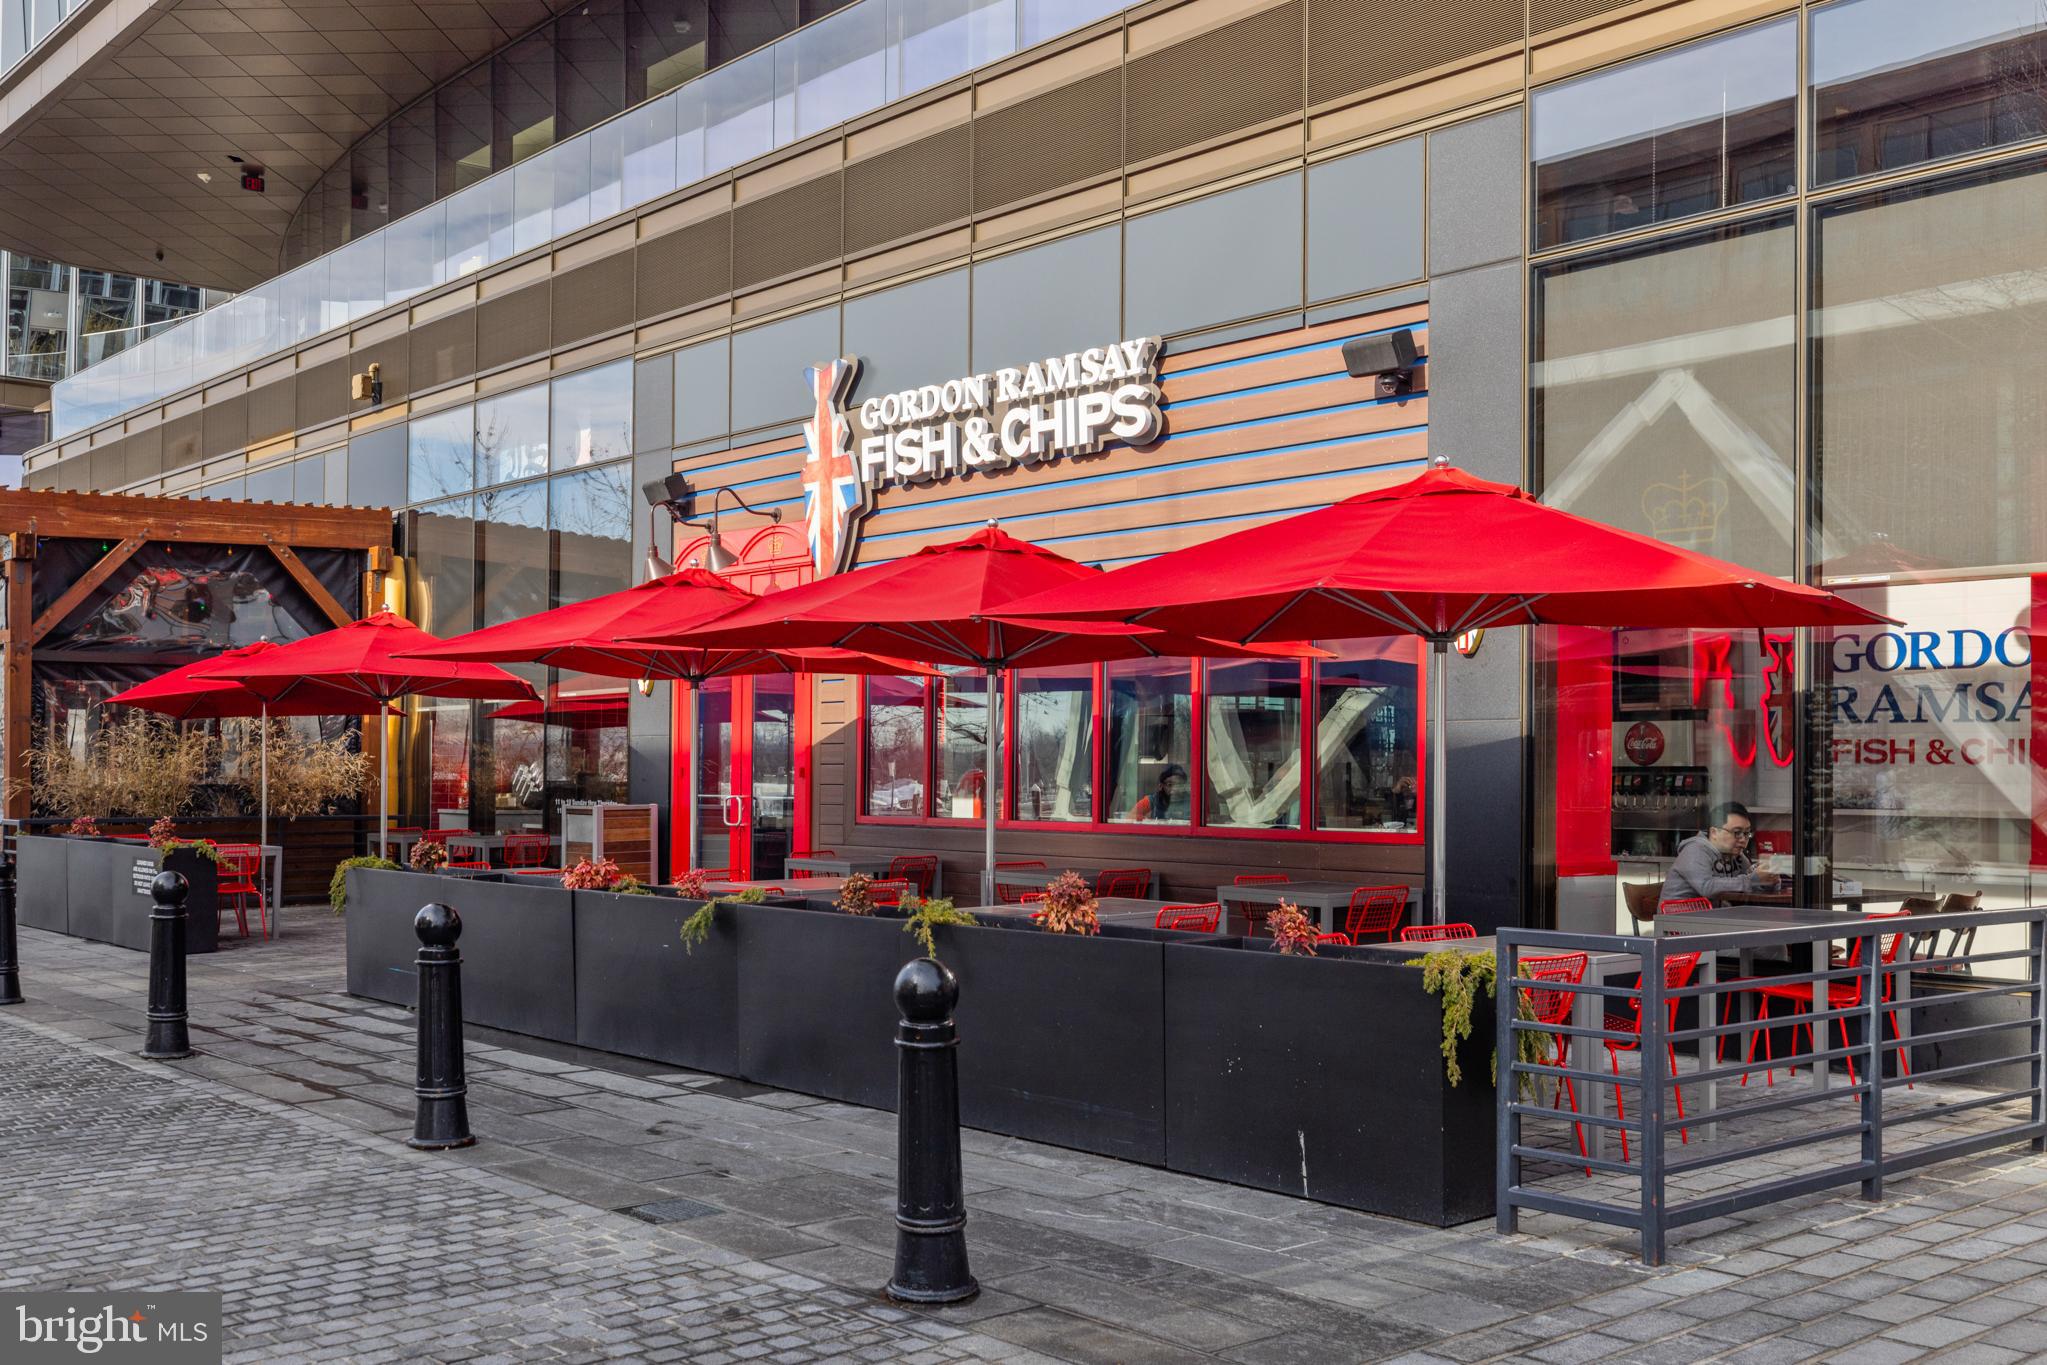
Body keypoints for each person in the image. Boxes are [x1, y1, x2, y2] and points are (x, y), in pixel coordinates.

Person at [1661, 800, 1781, 905]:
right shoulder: (1695, 850)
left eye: (1746, 833)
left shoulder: (1735, 854)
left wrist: (1768, 879)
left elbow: (1750, 885)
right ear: (1714, 833)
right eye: (1737, 832)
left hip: (1711, 918)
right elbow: (1706, 887)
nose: (1743, 839)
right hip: (1679, 923)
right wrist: (1753, 880)